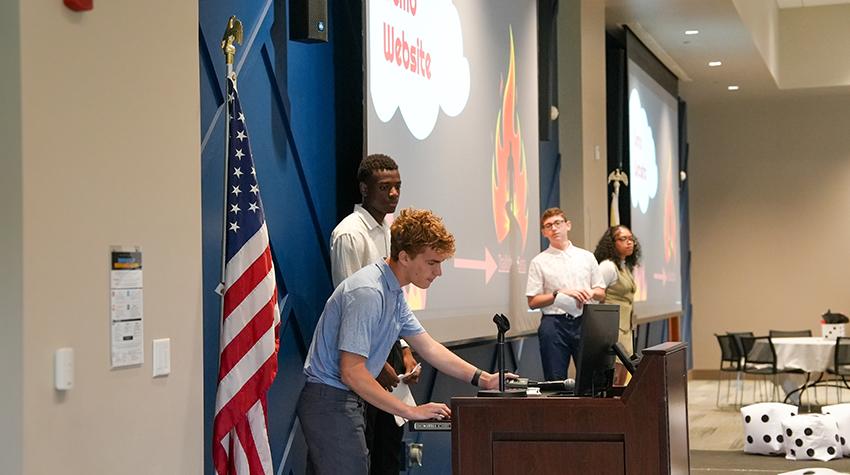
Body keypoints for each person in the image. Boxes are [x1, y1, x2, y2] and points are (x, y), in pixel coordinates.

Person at [298, 208, 509, 475]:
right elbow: (351, 372)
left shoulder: (393, 292)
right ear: (405, 257)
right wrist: (411, 410)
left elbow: (428, 346)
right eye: (432, 262)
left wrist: (484, 378)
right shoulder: (369, 292)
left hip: (343, 402)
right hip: (330, 401)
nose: (439, 272)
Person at [329, 154, 417, 474]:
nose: (393, 194)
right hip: (362, 356)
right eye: (385, 187)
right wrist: (372, 366)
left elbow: (396, 298)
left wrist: (405, 351)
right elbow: (349, 308)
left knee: (389, 451)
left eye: (397, 187)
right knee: (363, 453)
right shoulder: (350, 234)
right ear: (365, 189)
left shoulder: (390, 231)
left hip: (388, 348)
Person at [526, 208, 606, 381]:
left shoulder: (587, 257)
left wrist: (590, 292)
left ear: (567, 225)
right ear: (544, 232)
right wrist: (557, 293)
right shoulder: (539, 261)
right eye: (548, 226)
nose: (554, 228)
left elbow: (601, 292)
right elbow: (532, 301)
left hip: (586, 320)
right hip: (554, 324)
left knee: (592, 380)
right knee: (555, 380)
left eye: (557, 223)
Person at [593, 225, 641, 385]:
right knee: (613, 381)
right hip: (613, 330)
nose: (629, 243)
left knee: (622, 381)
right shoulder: (607, 266)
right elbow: (595, 296)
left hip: (625, 329)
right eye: (623, 239)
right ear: (612, 243)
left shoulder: (624, 265)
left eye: (631, 239)